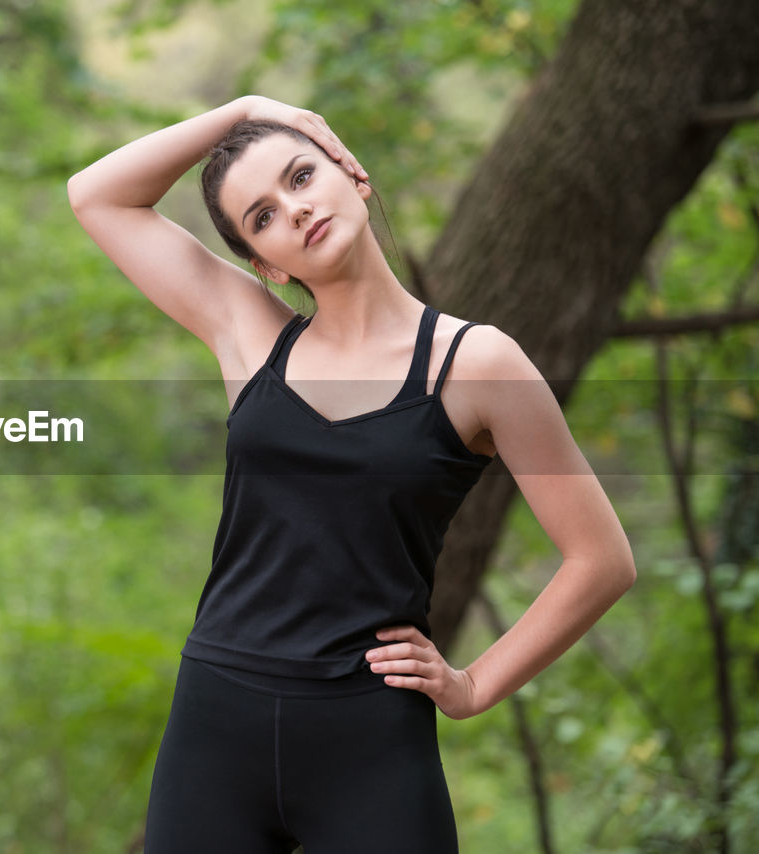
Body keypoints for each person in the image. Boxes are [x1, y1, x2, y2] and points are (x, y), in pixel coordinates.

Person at [67, 95, 637, 853]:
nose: (294, 210)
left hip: (370, 741)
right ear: (265, 263)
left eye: (301, 176)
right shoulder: (249, 335)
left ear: (350, 173)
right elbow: (97, 195)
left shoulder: (479, 364)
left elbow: (602, 560)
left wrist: (473, 686)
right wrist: (244, 108)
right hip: (216, 727)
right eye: (263, 217)